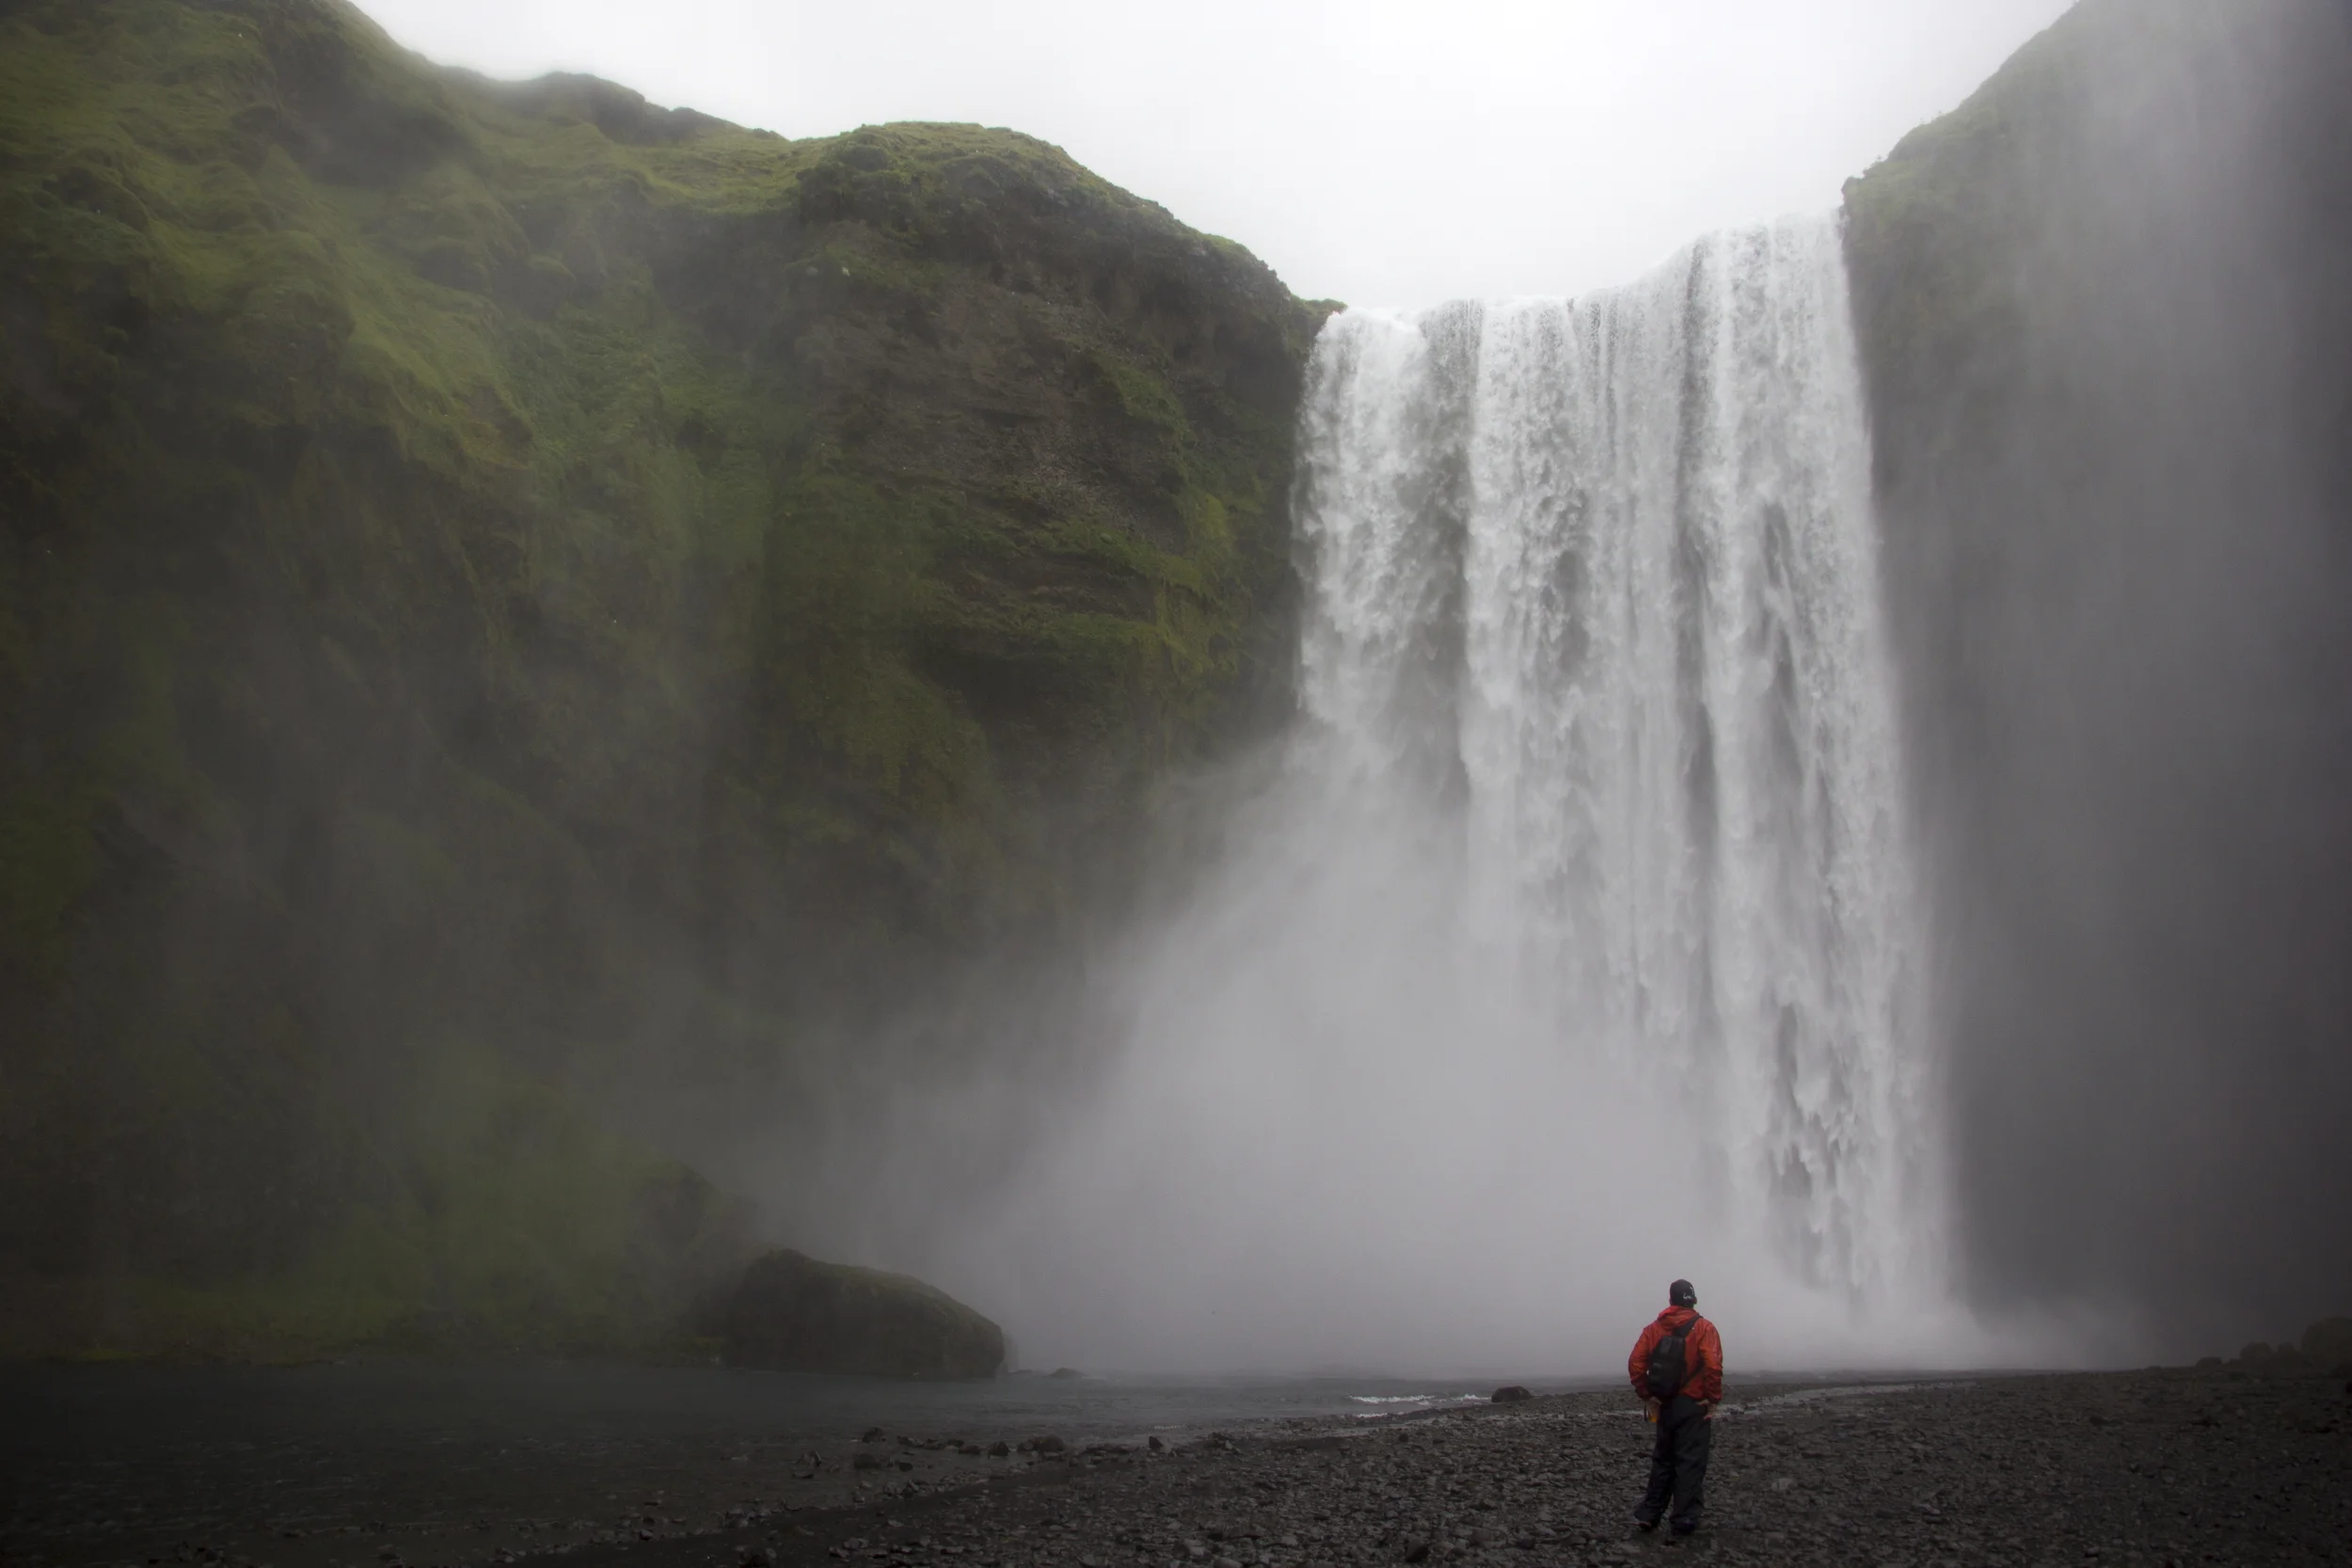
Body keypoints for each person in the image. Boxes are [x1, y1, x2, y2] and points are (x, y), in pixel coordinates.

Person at [1627, 1278, 1724, 1538]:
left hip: (1665, 1404)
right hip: (1694, 1405)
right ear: (1693, 1299)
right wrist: (1713, 1398)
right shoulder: (1704, 1328)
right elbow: (1713, 1365)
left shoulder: (1653, 1330)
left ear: (1670, 1300)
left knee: (1663, 1461)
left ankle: (1649, 1515)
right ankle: (1684, 1519)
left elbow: (1635, 1364)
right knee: (1690, 1462)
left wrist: (1647, 1395)